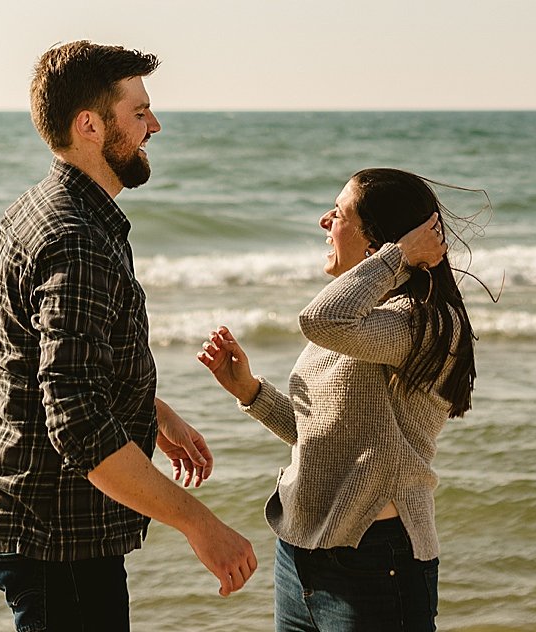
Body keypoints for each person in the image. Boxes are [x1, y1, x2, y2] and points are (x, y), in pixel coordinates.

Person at [0, 40, 258, 630]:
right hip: (58, 536)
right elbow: (76, 424)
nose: (155, 125)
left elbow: (50, 366)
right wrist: (201, 525)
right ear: (89, 125)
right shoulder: (75, 237)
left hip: (48, 525)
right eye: (139, 113)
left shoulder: (41, 209)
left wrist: (150, 409)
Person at [198, 168, 478, 632]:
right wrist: (250, 391)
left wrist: (402, 254)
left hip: (375, 559)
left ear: (378, 242)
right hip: (300, 556)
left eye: (341, 213)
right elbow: (326, 435)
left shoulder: (419, 322)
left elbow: (318, 318)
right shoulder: (368, 319)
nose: (325, 221)